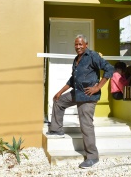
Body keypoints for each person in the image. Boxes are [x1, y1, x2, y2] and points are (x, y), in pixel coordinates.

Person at [46, 34, 114, 169]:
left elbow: (109, 69)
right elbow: (72, 79)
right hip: (76, 92)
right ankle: (56, 129)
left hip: (88, 96)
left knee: (86, 125)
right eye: (76, 44)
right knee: (59, 101)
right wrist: (60, 92)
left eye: (80, 44)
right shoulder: (76, 59)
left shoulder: (93, 56)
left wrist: (97, 87)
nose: (78, 47)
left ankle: (92, 157)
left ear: (86, 45)